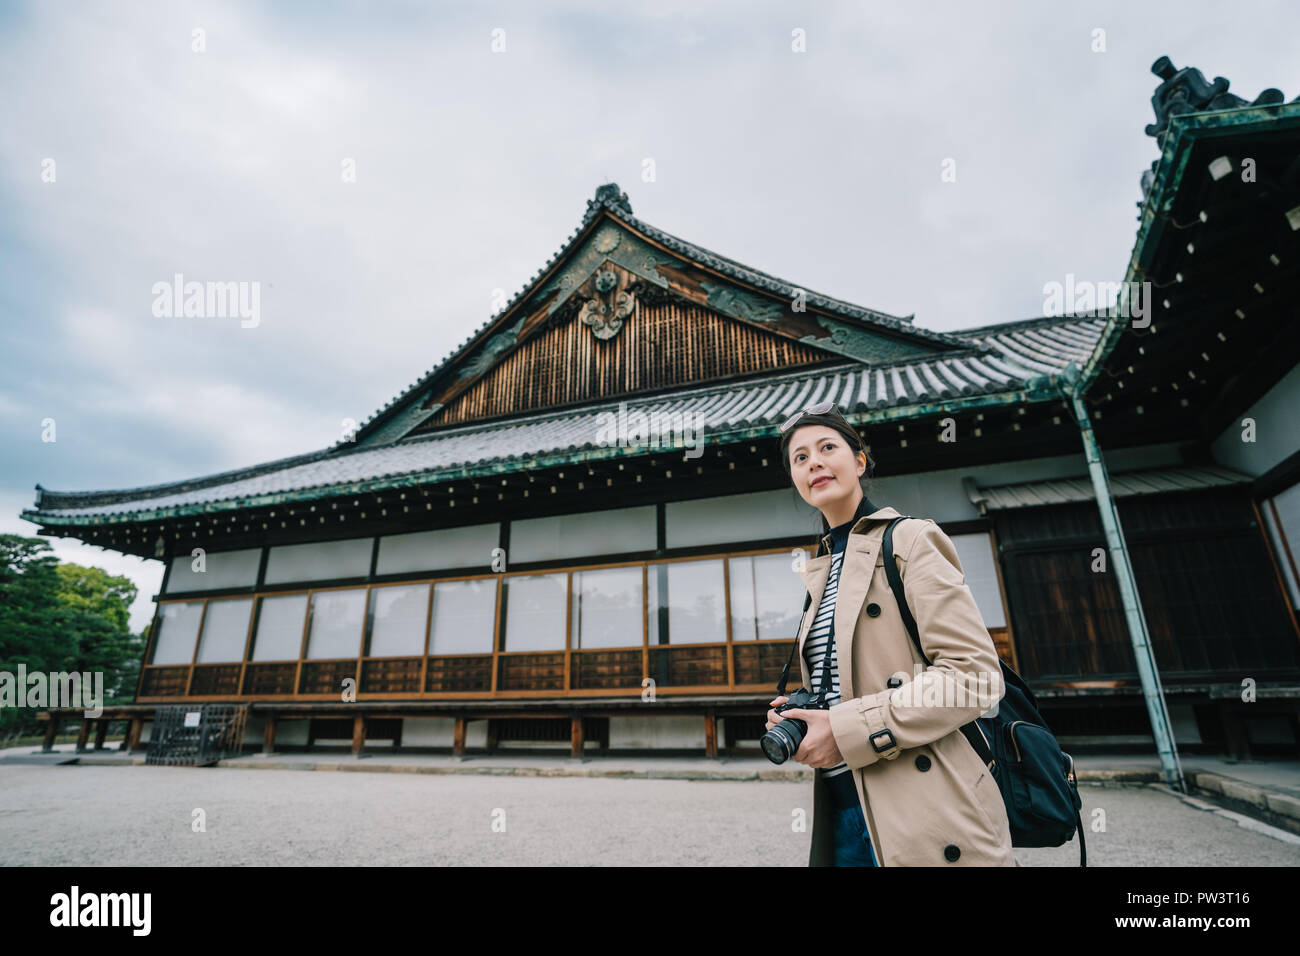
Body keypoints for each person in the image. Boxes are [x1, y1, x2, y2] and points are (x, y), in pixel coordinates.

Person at [764, 400, 1017, 866]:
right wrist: (804, 711)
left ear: (859, 461)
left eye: (826, 447)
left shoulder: (911, 541)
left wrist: (847, 728)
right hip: (843, 804)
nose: (813, 461)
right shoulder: (819, 571)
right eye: (800, 458)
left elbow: (976, 677)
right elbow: (859, 681)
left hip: (925, 803)